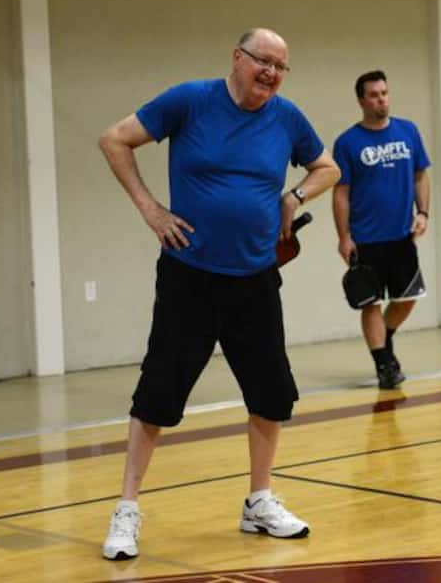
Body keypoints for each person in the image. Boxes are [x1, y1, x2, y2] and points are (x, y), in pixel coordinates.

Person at [97, 27, 339, 560]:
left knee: (271, 393)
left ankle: (259, 500)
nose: (272, 73)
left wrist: (294, 196)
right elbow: (114, 138)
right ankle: (127, 508)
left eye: (281, 66)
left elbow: (328, 166)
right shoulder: (189, 101)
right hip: (189, 276)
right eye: (263, 62)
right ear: (237, 57)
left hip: (255, 279)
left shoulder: (287, 117)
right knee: (158, 393)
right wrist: (150, 209)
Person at [332, 70, 431, 389]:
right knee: (370, 302)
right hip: (365, 240)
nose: (381, 99)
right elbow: (341, 193)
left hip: (402, 236)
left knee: (407, 299)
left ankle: (384, 338)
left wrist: (424, 213)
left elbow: (420, 175)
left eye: (385, 93)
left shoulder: (408, 131)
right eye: (374, 95)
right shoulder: (347, 142)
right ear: (361, 100)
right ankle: (384, 365)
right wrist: (344, 236)